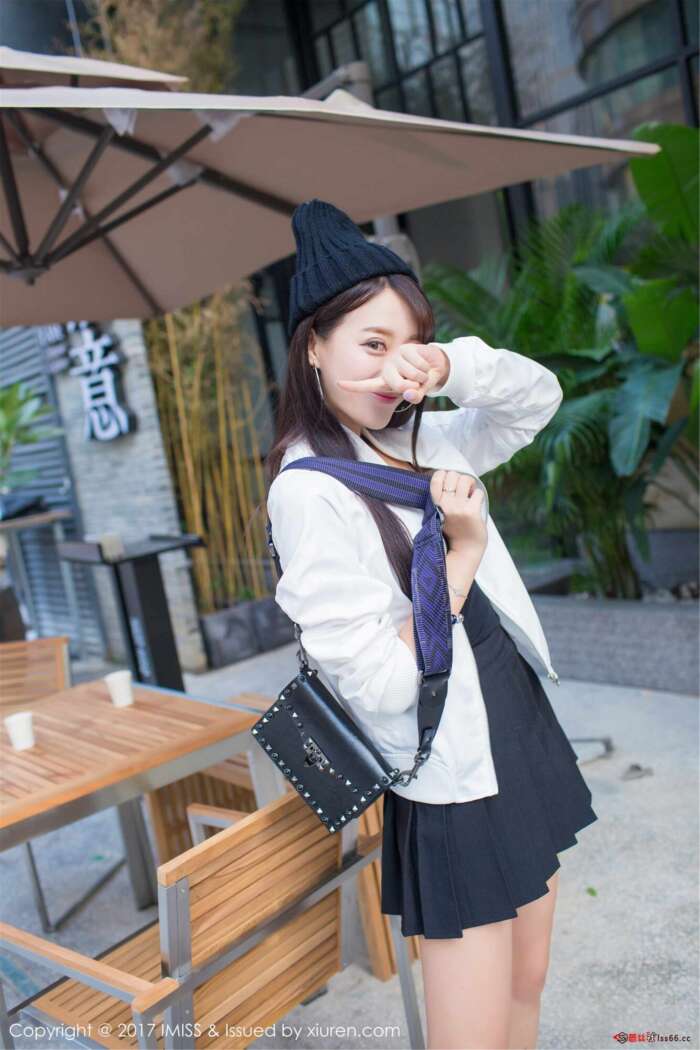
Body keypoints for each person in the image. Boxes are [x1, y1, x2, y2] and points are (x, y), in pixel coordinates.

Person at [264, 198, 598, 1050]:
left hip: (512, 718)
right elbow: (379, 683)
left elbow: (536, 399)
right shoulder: (308, 492)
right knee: (470, 1032)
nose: (393, 373)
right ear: (313, 345)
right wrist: (462, 553)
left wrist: (449, 365)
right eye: (372, 345)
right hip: (449, 764)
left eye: (408, 345)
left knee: (527, 981)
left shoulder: (422, 438)